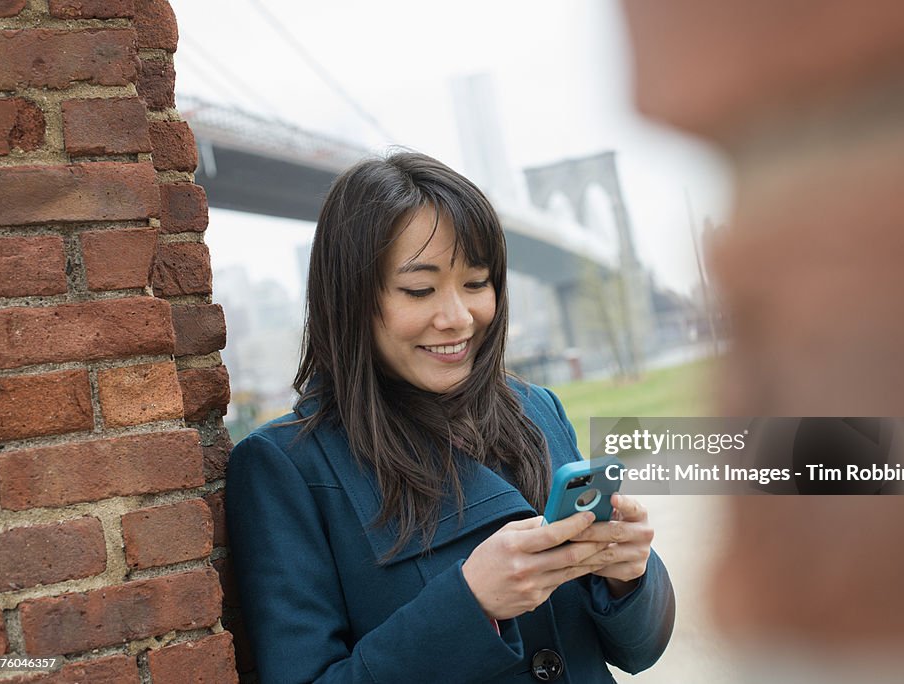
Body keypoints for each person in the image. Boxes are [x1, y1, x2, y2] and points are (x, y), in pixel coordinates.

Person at [226, 151, 675, 683]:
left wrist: (630, 577)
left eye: (476, 282)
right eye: (420, 290)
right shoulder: (286, 468)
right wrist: (472, 604)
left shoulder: (536, 410)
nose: (458, 318)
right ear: (349, 298)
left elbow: (640, 651)